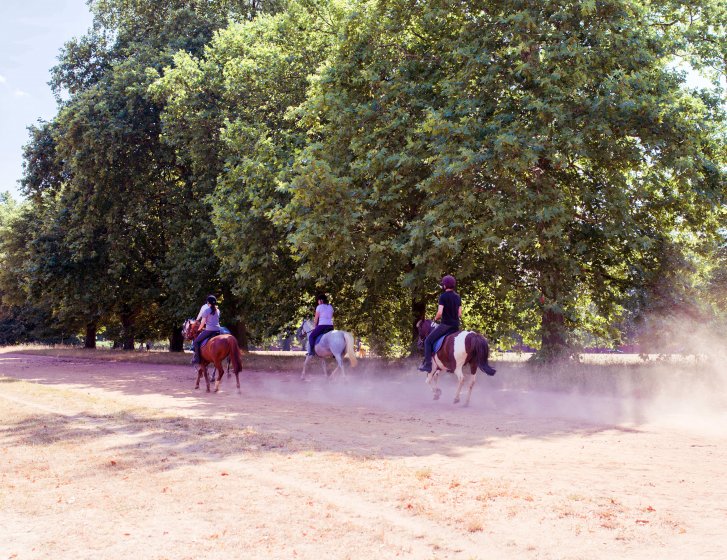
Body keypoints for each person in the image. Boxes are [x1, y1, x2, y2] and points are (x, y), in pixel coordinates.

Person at [419, 275, 462, 372]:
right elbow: (460, 314)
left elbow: (439, 313)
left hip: (445, 326)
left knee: (428, 341)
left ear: (445, 286)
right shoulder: (457, 297)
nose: (442, 286)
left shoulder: (443, 296)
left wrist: (435, 319)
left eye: (443, 285)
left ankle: (428, 365)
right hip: (455, 326)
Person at [192, 295, 221, 364]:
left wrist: (199, 329)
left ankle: (197, 359)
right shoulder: (218, 310)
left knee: (196, 342)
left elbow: (202, 323)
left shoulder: (206, 310)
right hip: (218, 330)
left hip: (209, 330)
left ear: (208, 303)